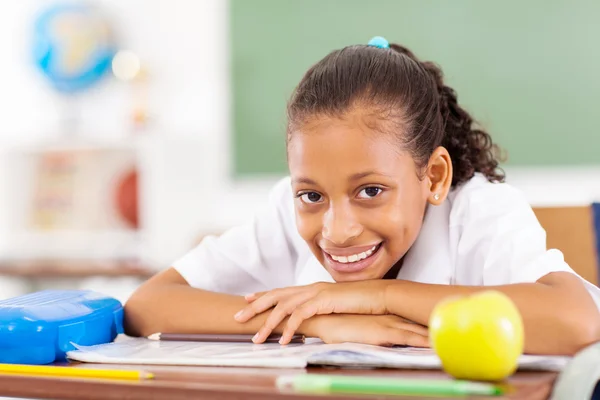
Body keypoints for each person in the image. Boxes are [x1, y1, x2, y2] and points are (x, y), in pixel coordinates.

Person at [124, 37, 600, 355]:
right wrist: (319, 322)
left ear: (433, 176)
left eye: (370, 191)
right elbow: (149, 304)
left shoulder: (480, 211)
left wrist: (379, 297)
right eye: (311, 195)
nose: (337, 230)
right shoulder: (284, 213)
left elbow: (576, 322)